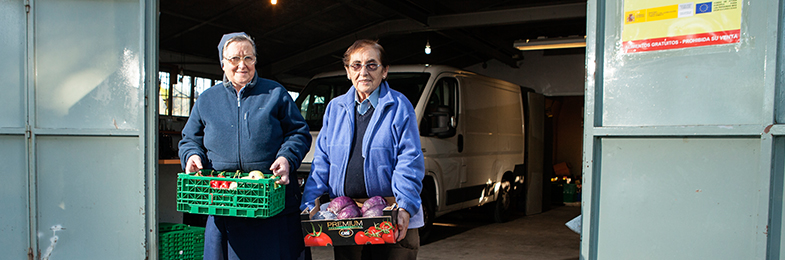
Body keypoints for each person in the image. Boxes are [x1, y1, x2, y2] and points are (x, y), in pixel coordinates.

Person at [178, 32, 311, 260]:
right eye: (234, 59)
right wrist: (191, 155)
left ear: (255, 61)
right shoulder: (207, 99)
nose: (242, 65)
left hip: (270, 200)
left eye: (248, 58)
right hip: (223, 200)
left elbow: (298, 133)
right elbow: (190, 138)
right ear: (222, 63)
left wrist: (287, 158)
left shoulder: (275, 93)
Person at [300, 39, 425, 259]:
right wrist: (310, 202)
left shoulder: (399, 106)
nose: (363, 72)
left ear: (384, 71)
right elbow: (322, 161)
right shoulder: (334, 109)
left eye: (372, 65)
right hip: (346, 217)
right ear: (348, 71)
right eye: (356, 65)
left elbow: (409, 160)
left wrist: (405, 206)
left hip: (390, 214)